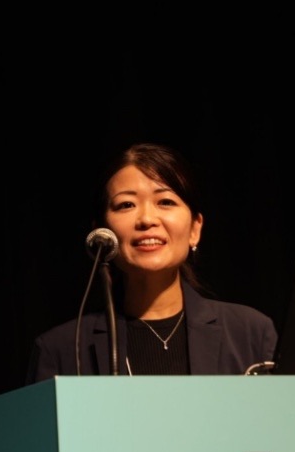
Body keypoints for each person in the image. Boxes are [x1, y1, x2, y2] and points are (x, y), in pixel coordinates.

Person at [26, 142, 278, 382]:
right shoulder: (60, 349)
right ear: (101, 232)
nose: (147, 219)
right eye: (126, 205)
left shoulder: (250, 332)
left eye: (165, 202)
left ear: (195, 229)